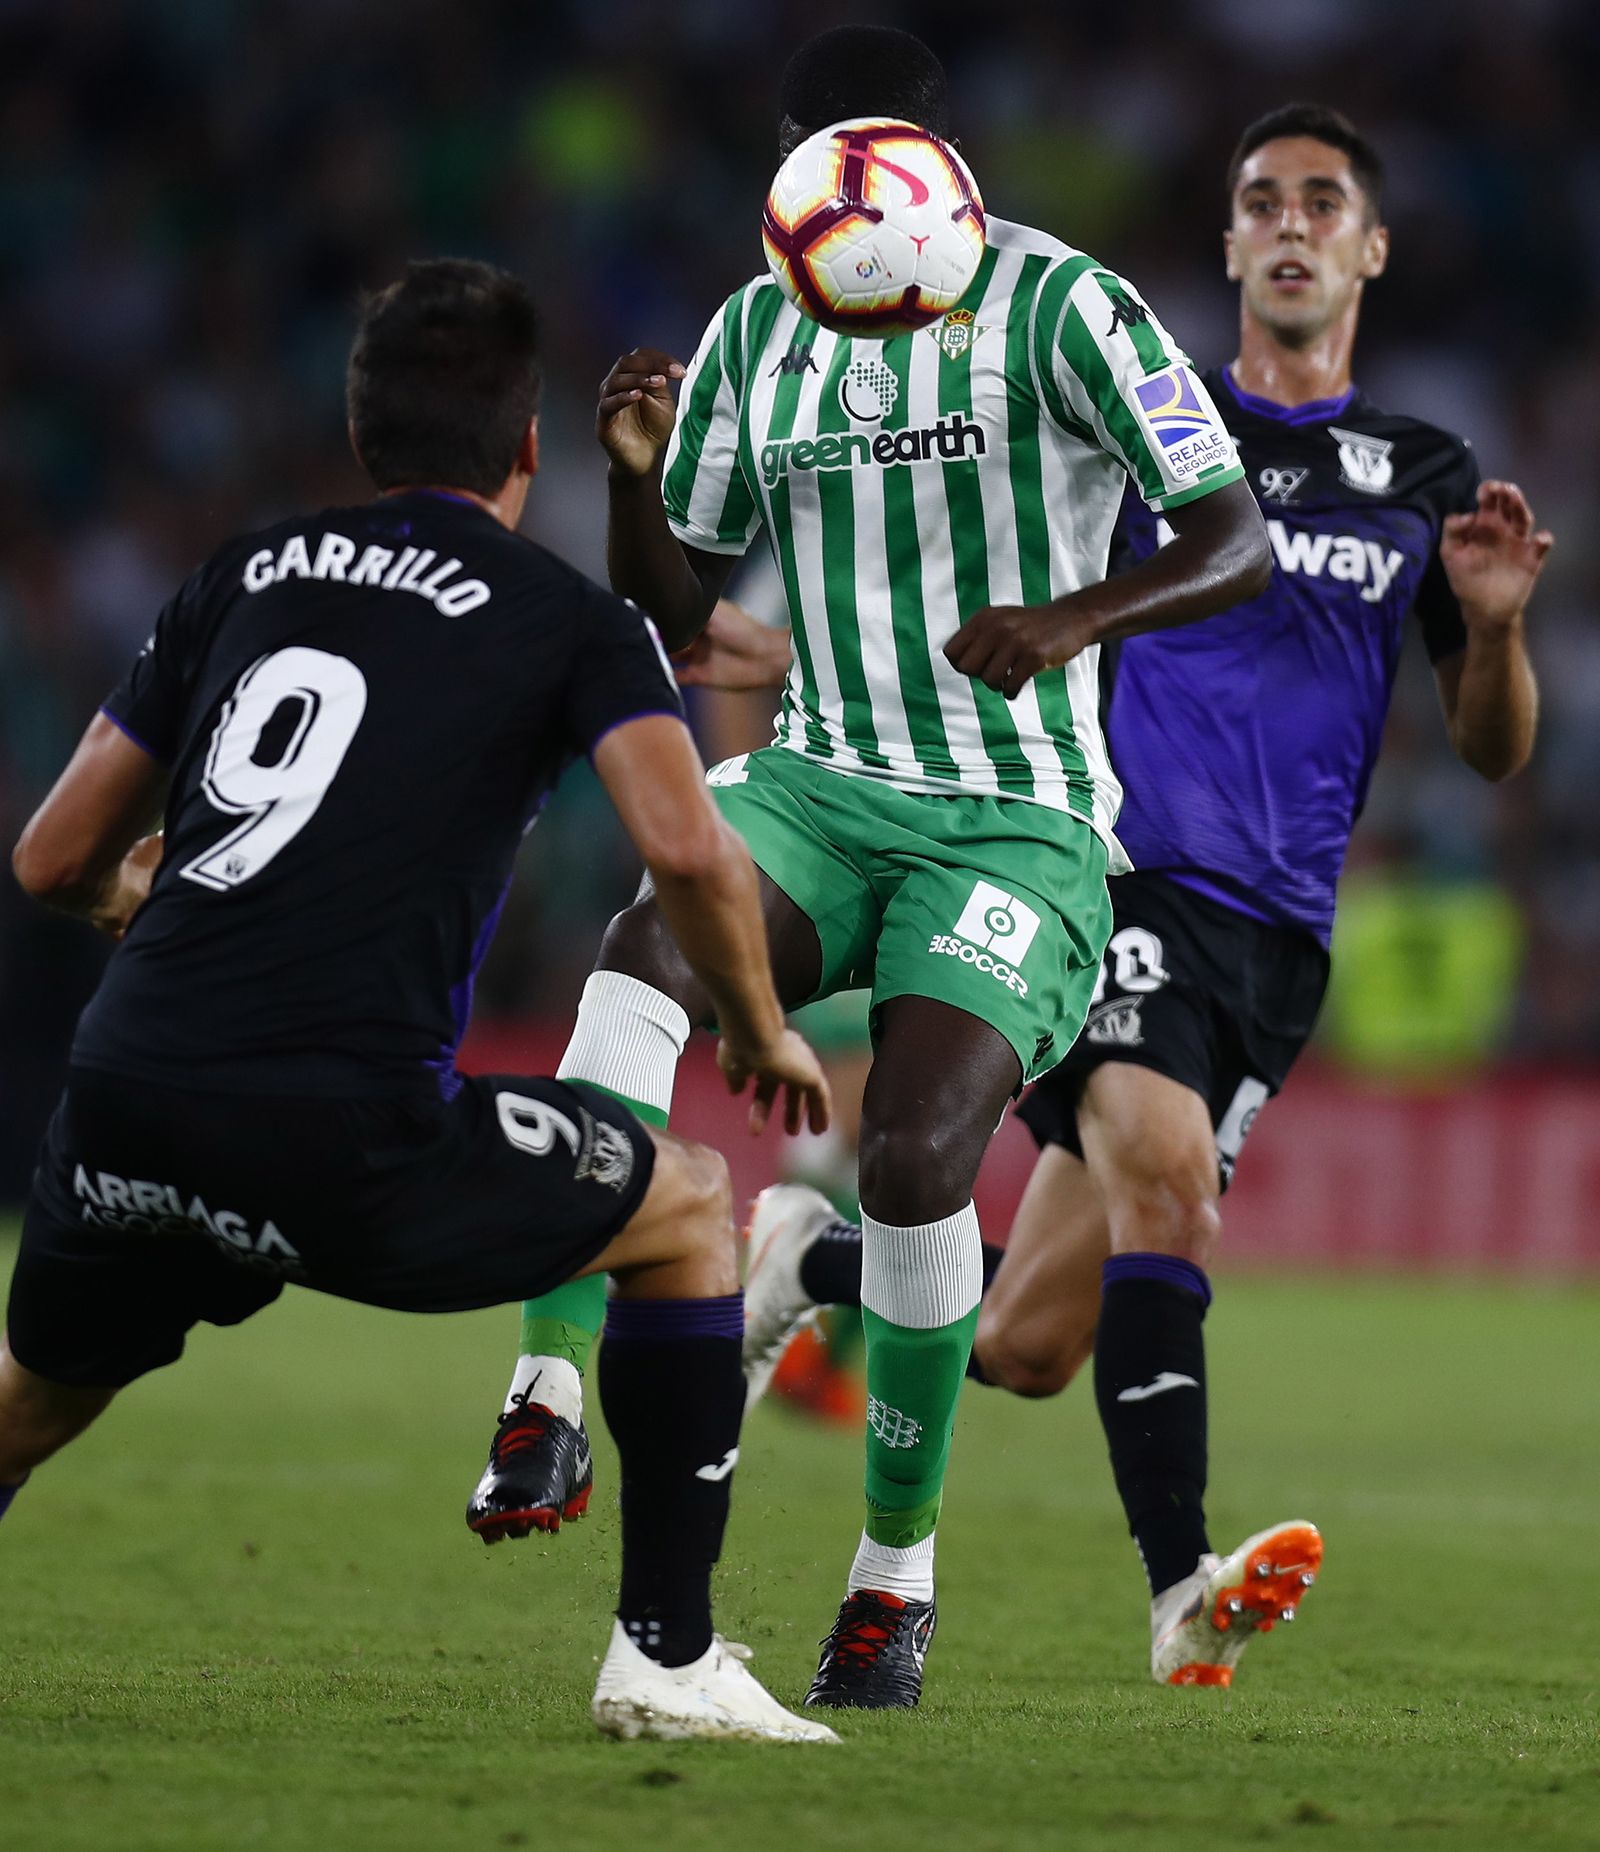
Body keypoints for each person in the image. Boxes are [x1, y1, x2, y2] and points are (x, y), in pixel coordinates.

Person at [466, 24, 1270, 1712]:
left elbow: (1231, 533)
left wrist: (1070, 618)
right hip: (820, 785)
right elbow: (677, 609)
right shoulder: (758, 325)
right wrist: (629, 491)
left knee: (908, 1158)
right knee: (637, 963)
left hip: (1022, 818)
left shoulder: (1067, 305)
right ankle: (544, 1396)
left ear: (928, 163)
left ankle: (893, 1574)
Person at [715, 103, 1549, 1689]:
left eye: (1323, 203)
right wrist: (809, 653)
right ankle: (1183, 1597)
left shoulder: (1423, 476)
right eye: (1260, 202)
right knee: (1170, 1174)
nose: (1290, 224)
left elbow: (1493, 754)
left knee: (1030, 1344)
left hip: (1276, 939)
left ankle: (801, 1264)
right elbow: (960, 562)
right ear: (1231, 246)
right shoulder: (1138, 424)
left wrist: (1497, 630)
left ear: (1370, 249)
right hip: (1109, 869)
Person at [0, 258, 840, 1746]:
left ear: (361, 429)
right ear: (527, 448)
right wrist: (759, 1024)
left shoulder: (239, 575)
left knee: (34, 1406)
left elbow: (53, 854)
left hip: (129, 1093)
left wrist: (145, 902)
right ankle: (667, 1656)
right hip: (339, 1132)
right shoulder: (563, 617)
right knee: (694, 1201)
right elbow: (689, 849)